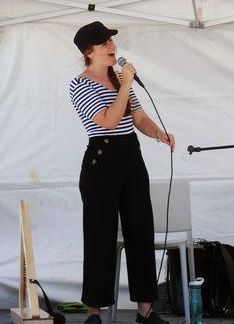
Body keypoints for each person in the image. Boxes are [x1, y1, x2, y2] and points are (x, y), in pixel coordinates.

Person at [70, 21, 175, 324]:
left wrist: (159, 133)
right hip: (101, 161)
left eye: (111, 42)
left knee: (140, 231)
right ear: (90, 52)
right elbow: (108, 121)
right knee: (99, 235)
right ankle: (94, 311)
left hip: (131, 158)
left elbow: (137, 117)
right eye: (105, 43)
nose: (112, 47)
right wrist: (126, 84)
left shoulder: (119, 78)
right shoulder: (80, 84)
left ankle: (145, 308)